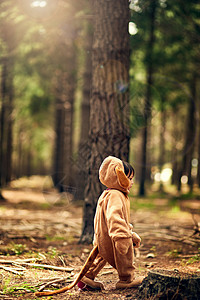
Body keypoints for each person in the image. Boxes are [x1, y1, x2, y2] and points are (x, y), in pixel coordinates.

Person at [78, 156, 144, 291]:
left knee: (100, 255)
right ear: (119, 177)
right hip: (115, 235)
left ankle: (86, 278)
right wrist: (122, 236)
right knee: (124, 257)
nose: (131, 182)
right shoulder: (115, 195)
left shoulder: (108, 193)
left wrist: (130, 233)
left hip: (105, 234)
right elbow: (115, 217)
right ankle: (126, 280)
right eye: (129, 178)